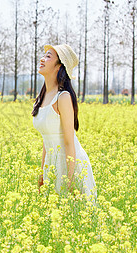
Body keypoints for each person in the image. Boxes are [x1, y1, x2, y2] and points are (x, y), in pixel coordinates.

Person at [32, 44, 97, 205]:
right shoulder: (43, 97)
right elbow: (46, 140)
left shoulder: (63, 97)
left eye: (48, 56)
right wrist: (42, 173)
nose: (42, 59)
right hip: (52, 166)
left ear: (59, 66)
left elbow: (69, 142)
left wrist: (71, 180)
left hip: (69, 165)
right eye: (44, 55)